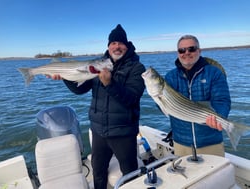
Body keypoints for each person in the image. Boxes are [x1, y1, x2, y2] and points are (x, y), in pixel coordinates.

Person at [50, 24, 145, 189]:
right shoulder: (96, 65)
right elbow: (80, 90)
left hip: (123, 132)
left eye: (120, 43)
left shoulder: (137, 68)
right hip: (99, 131)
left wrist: (109, 84)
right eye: (113, 43)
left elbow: (132, 97)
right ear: (108, 46)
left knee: (130, 174)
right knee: (98, 172)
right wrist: (66, 77)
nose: (117, 46)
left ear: (127, 45)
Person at [164, 35, 231, 157]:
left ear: (199, 51)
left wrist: (219, 118)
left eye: (192, 49)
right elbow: (165, 107)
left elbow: (222, 100)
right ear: (178, 53)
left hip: (210, 142)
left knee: (214, 176)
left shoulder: (213, 72)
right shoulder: (170, 77)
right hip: (181, 142)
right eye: (182, 50)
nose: (187, 53)